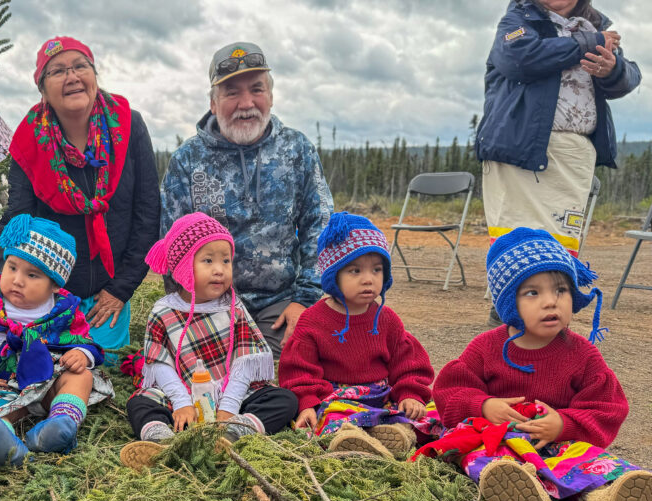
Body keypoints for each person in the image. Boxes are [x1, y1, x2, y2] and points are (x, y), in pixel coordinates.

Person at [422, 228, 651, 501]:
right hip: (498, 440)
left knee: (595, 467)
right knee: (486, 460)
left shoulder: (581, 353)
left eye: (561, 290)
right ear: (509, 303)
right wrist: (484, 405)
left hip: (560, 444)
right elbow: (449, 391)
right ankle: (521, 499)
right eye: (532, 293)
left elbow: (607, 405)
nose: (550, 301)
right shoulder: (485, 348)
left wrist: (565, 424)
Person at [0, 36, 160, 361]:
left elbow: (147, 214)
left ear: (94, 74)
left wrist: (120, 290)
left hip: (110, 290)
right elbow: (17, 219)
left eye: (80, 66)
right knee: (46, 370)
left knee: (103, 369)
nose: (72, 76)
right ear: (43, 89)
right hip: (51, 292)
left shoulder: (129, 125)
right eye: (58, 71)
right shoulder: (29, 141)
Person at [161, 41, 333, 357]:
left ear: (270, 96)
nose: (246, 102)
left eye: (256, 89)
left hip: (279, 304)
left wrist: (305, 301)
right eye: (231, 93)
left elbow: (319, 225)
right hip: (208, 305)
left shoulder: (296, 149)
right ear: (213, 103)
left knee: (284, 380)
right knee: (205, 384)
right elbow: (173, 245)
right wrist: (186, 311)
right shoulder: (187, 160)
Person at [476, 0, 640, 323]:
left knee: (560, 246)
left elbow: (630, 74)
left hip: (575, 155)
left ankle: (549, 329)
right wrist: (592, 44)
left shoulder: (595, 24)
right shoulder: (519, 20)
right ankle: (508, 326)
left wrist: (613, 69)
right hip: (520, 150)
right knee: (519, 239)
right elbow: (520, 58)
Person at [119, 213, 298, 469]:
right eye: (208, 260)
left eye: (226, 261)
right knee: (140, 403)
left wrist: (228, 409)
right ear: (183, 266)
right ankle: (162, 442)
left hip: (230, 391)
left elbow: (244, 362)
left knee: (284, 400)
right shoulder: (164, 311)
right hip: (181, 392)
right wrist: (181, 403)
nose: (219, 269)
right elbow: (160, 364)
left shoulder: (232, 307)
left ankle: (234, 434)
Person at [0, 214, 111, 466]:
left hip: (45, 375)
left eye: (32, 275)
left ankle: (60, 423)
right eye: (12, 267)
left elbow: (82, 338)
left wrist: (81, 353)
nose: (17, 280)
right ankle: (5, 440)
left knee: (81, 376)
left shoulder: (63, 309)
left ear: (54, 285)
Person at [277, 213, 437, 458]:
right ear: (334, 276)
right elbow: (299, 370)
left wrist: (410, 394)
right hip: (337, 398)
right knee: (331, 417)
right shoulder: (313, 320)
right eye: (355, 271)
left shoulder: (387, 319)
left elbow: (408, 364)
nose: (368, 279)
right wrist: (307, 402)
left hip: (382, 395)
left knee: (430, 412)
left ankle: (398, 434)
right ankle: (352, 438)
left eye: (376, 270)